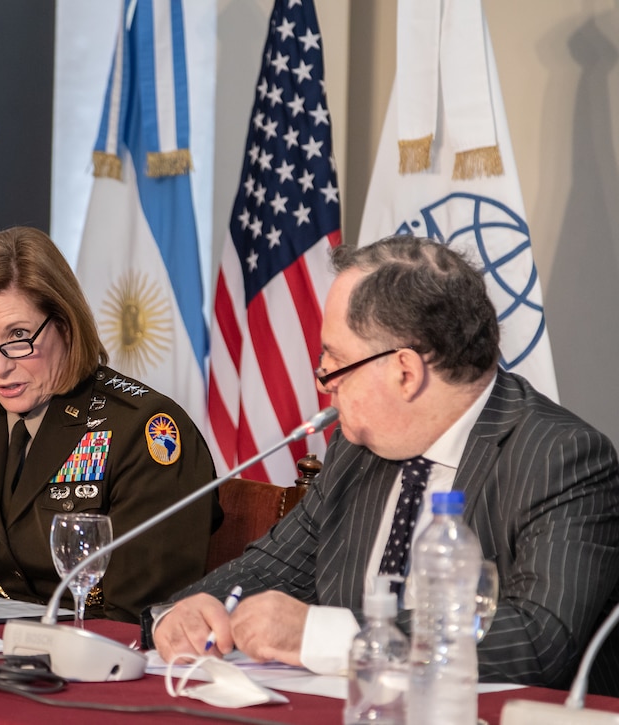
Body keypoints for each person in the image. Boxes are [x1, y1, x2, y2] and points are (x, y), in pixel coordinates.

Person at [151, 235, 619, 695]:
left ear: (405, 372)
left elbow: (538, 639)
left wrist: (326, 637)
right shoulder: (358, 447)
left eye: (334, 363)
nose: (322, 383)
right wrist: (185, 612)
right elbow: (275, 565)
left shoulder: (562, 457)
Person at [0, 226, 219, 623]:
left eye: (18, 336)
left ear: (65, 326)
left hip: (94, 658)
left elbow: (137, 615)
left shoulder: (144, 430)